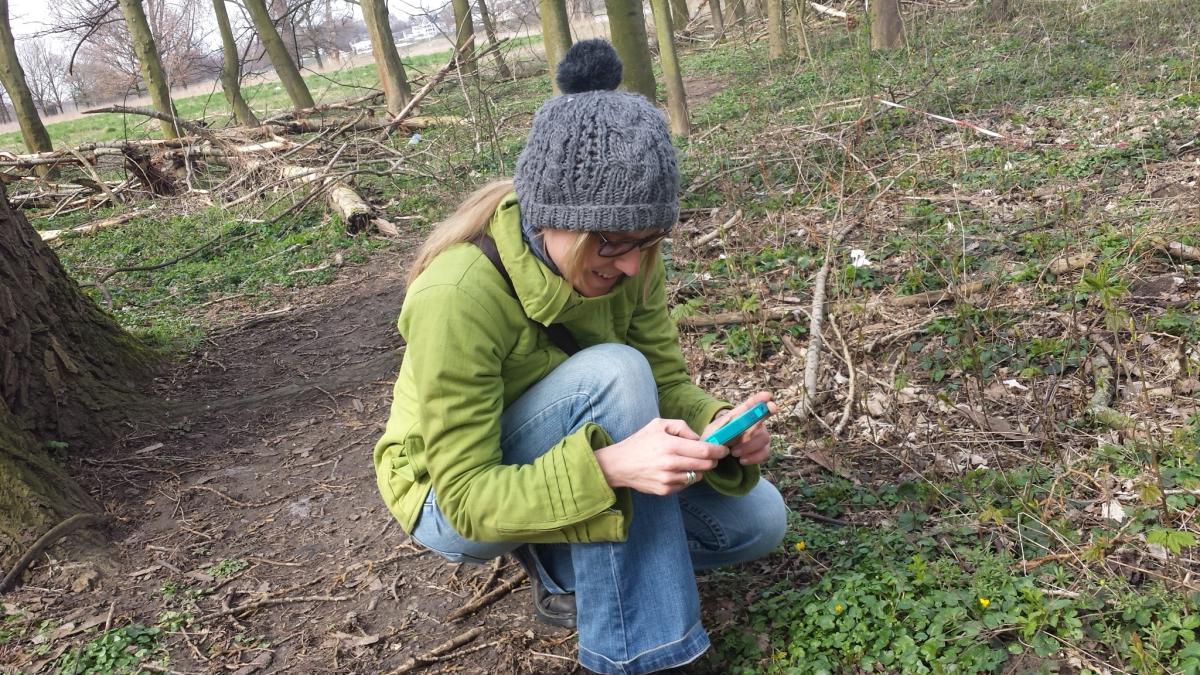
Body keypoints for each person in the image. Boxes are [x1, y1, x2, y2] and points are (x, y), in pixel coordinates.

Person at [373, 39, 788, 675]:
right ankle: (646, 656)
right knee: (614, 374)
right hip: (449, 496)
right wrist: (612, 469)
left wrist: (714, 424)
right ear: (550, 219)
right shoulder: (456, 294)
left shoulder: (634, 258)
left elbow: (667, 379)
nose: (629, 264)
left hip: (567, 452)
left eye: (647, 242)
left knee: (755, 522)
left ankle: (565, 564)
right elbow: (465, 500)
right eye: (612, 243)